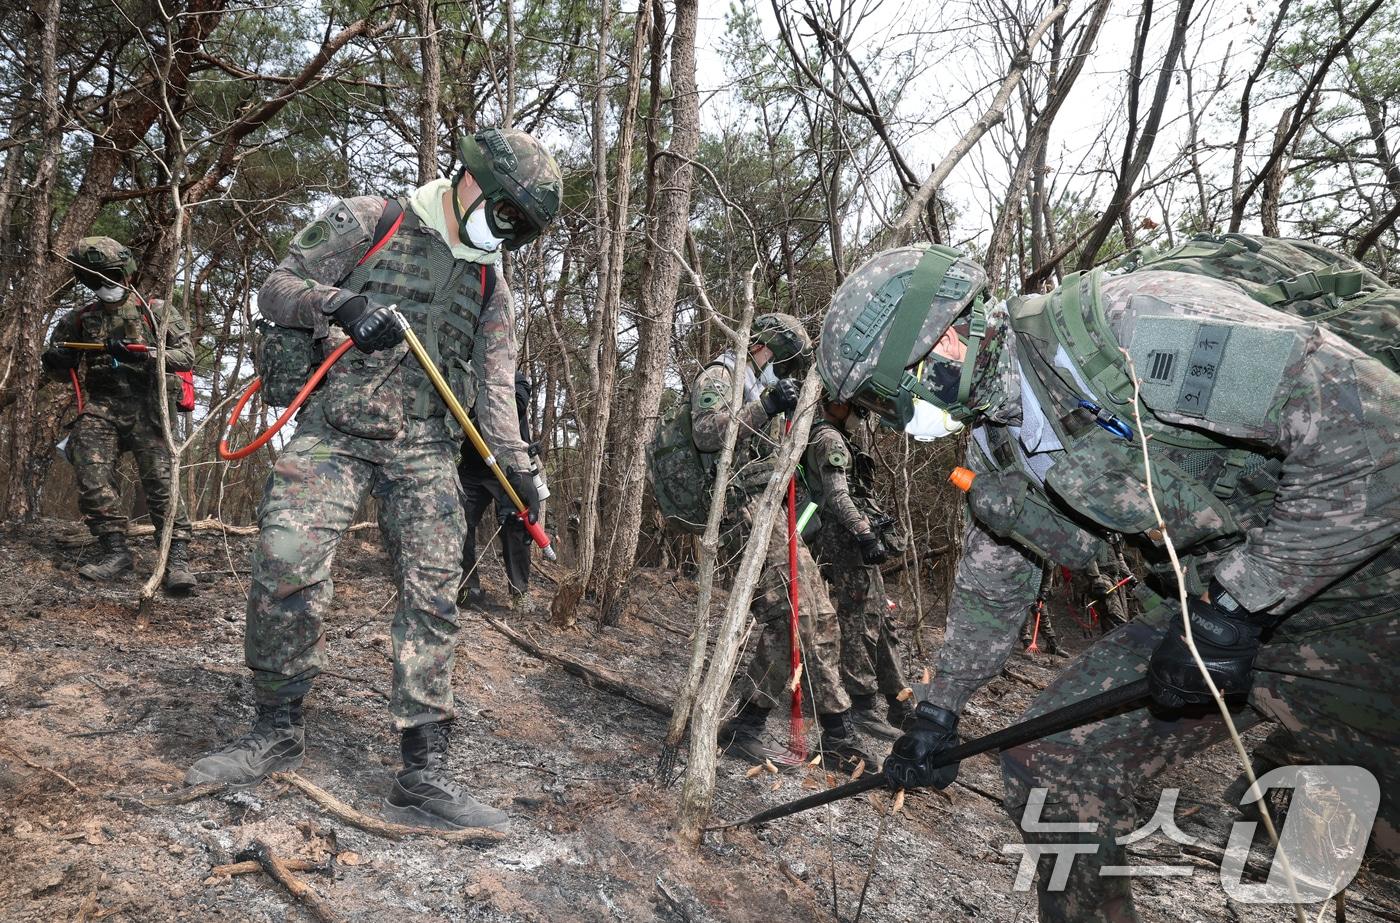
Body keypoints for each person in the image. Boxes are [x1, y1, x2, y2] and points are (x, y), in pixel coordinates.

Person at [816, 242, 1399, 920]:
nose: (899, 422)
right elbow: (992, 585)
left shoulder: (1136, 330)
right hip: (1225, 623)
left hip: (1362, 589)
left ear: (946, 338)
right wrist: (939, 711)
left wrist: (1241, 599)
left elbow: (1376, 429)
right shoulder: (998, 446)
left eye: (894, 399)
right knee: (1048, 763)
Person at [185, 128, 562, 833]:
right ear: (472, 180)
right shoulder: (371, 219)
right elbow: (276, 288)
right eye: (504, 212)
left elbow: (498, 390)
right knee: (285, 562)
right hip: (334, 429)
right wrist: (342, 307)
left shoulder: (491, 285)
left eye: (520, 228)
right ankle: (274, 726)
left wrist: (522, 474)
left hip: (425, 447)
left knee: (433, 592)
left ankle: (423, 771)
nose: (505, 231)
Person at [693, 313, 874, 772]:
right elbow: (707, 433)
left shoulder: (760, 386)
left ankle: (833, 734)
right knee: (788, 614)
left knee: (818, 614)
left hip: (771, 510)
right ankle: (752, 727)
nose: (788, 378)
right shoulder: (722, 376)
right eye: (788, 367)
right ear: (769, 350)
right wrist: (767, 405)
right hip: (738, 508)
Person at [42, 237, 197, 593]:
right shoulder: (79, 318)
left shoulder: (155, 309)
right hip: (103, 405)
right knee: (91, 472)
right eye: (95, 281)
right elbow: (57, 366)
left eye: (109, 278)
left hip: (150, 406)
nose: (104, 287)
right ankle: (115, 551)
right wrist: (55, 359)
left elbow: (185, 357)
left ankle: (176, 561)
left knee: (161, 484)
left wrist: (143, 355)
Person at [803, 394, 913, 740]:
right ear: (837, 404)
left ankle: (899, 702)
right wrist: (864, 532)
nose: (861, 417)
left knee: (879, 618)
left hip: (852, 539)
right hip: (843, 539)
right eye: (858, 409)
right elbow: (837, 495)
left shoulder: (836, 435)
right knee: (859, 622)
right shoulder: (828, 438)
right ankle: (863, 705)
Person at [458, 370, 536, 612]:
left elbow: (518, 405)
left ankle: (519, 593)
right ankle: (466, 588)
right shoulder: (464, 374)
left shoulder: (516, 378)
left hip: (507, 467)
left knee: (516, 524)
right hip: (472, 466)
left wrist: (482, 405)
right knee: (458, 520)